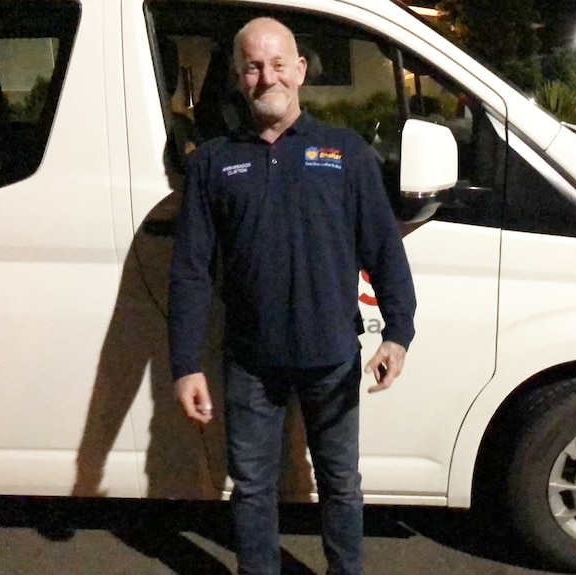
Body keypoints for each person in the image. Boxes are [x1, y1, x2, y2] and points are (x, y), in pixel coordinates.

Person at [168, 17, 416, 575]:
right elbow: (190, 274)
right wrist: (186, 364)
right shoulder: (212, 163)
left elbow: (384, 252)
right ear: (237, 76)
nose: (267, 77)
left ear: (300, 71)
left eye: (278, 63)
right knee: (252, 488)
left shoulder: (345, 153)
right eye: (253, 66)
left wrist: (398, 334)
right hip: (250, 364)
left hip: (332, 358)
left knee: (342, 484)